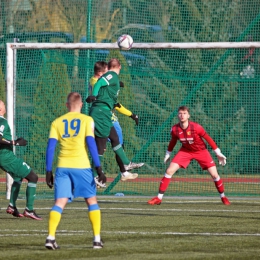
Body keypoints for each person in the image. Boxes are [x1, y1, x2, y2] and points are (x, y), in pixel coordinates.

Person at [45, 92, 106, 250]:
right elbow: (91, 144)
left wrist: (48, 171)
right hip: (82, 166)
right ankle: (97, 240)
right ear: (81, 105)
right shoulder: (87, 120)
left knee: (59, 202)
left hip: (63, 167)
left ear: (67, 105)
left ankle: (51, 237)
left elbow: (51, 147)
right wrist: (98, 168)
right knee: (91, 201)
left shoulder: (57, 122)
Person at [148, 106, 230, 206]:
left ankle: (223, 197)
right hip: (185, 151)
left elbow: (208, 138)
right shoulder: (175, 129)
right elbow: (173, 142)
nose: (182, 115)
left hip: (201, 151)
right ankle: (159, 198)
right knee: (169, 171)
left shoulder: (196, 127)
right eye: (180, 113)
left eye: (184, 113)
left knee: (214, 175)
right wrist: (168, 154)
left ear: (188, 115)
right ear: (177, 115)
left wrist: (218, 152)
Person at [86, 58, 144, 184]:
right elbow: (99, 83)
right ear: (120, 67)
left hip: (105, 114)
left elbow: (114, 101)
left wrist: (131, 114)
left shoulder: (112, 79)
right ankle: (95, 175)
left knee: (115, 138)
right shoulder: (110, 75)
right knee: (101, 147)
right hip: (101, 113)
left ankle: (126, 165)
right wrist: (94, 95)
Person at [0, 100, 42, 220]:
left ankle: (12, 206)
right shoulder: (1, 121)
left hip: (4, 157)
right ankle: (29, 210)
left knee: (18, 177)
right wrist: (15, 142)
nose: (4, 105)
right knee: (33, 177)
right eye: (3, 104)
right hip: (6, 157)